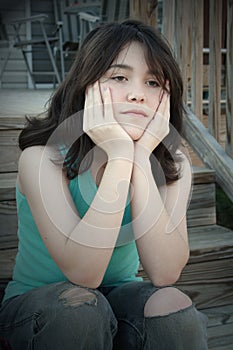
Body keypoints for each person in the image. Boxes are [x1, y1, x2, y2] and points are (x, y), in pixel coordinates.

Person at [0, 20, 208, 349]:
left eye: (153, 82)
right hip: (40, 307)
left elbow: (165, 273)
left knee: (172, 307)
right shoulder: (42, 160)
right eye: (119, 77)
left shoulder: (174, 167)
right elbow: (84, 275)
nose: (138, 93)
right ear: (87, 85)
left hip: (117, 296)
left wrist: (139, 158)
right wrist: (120, 153)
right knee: (80, 309)